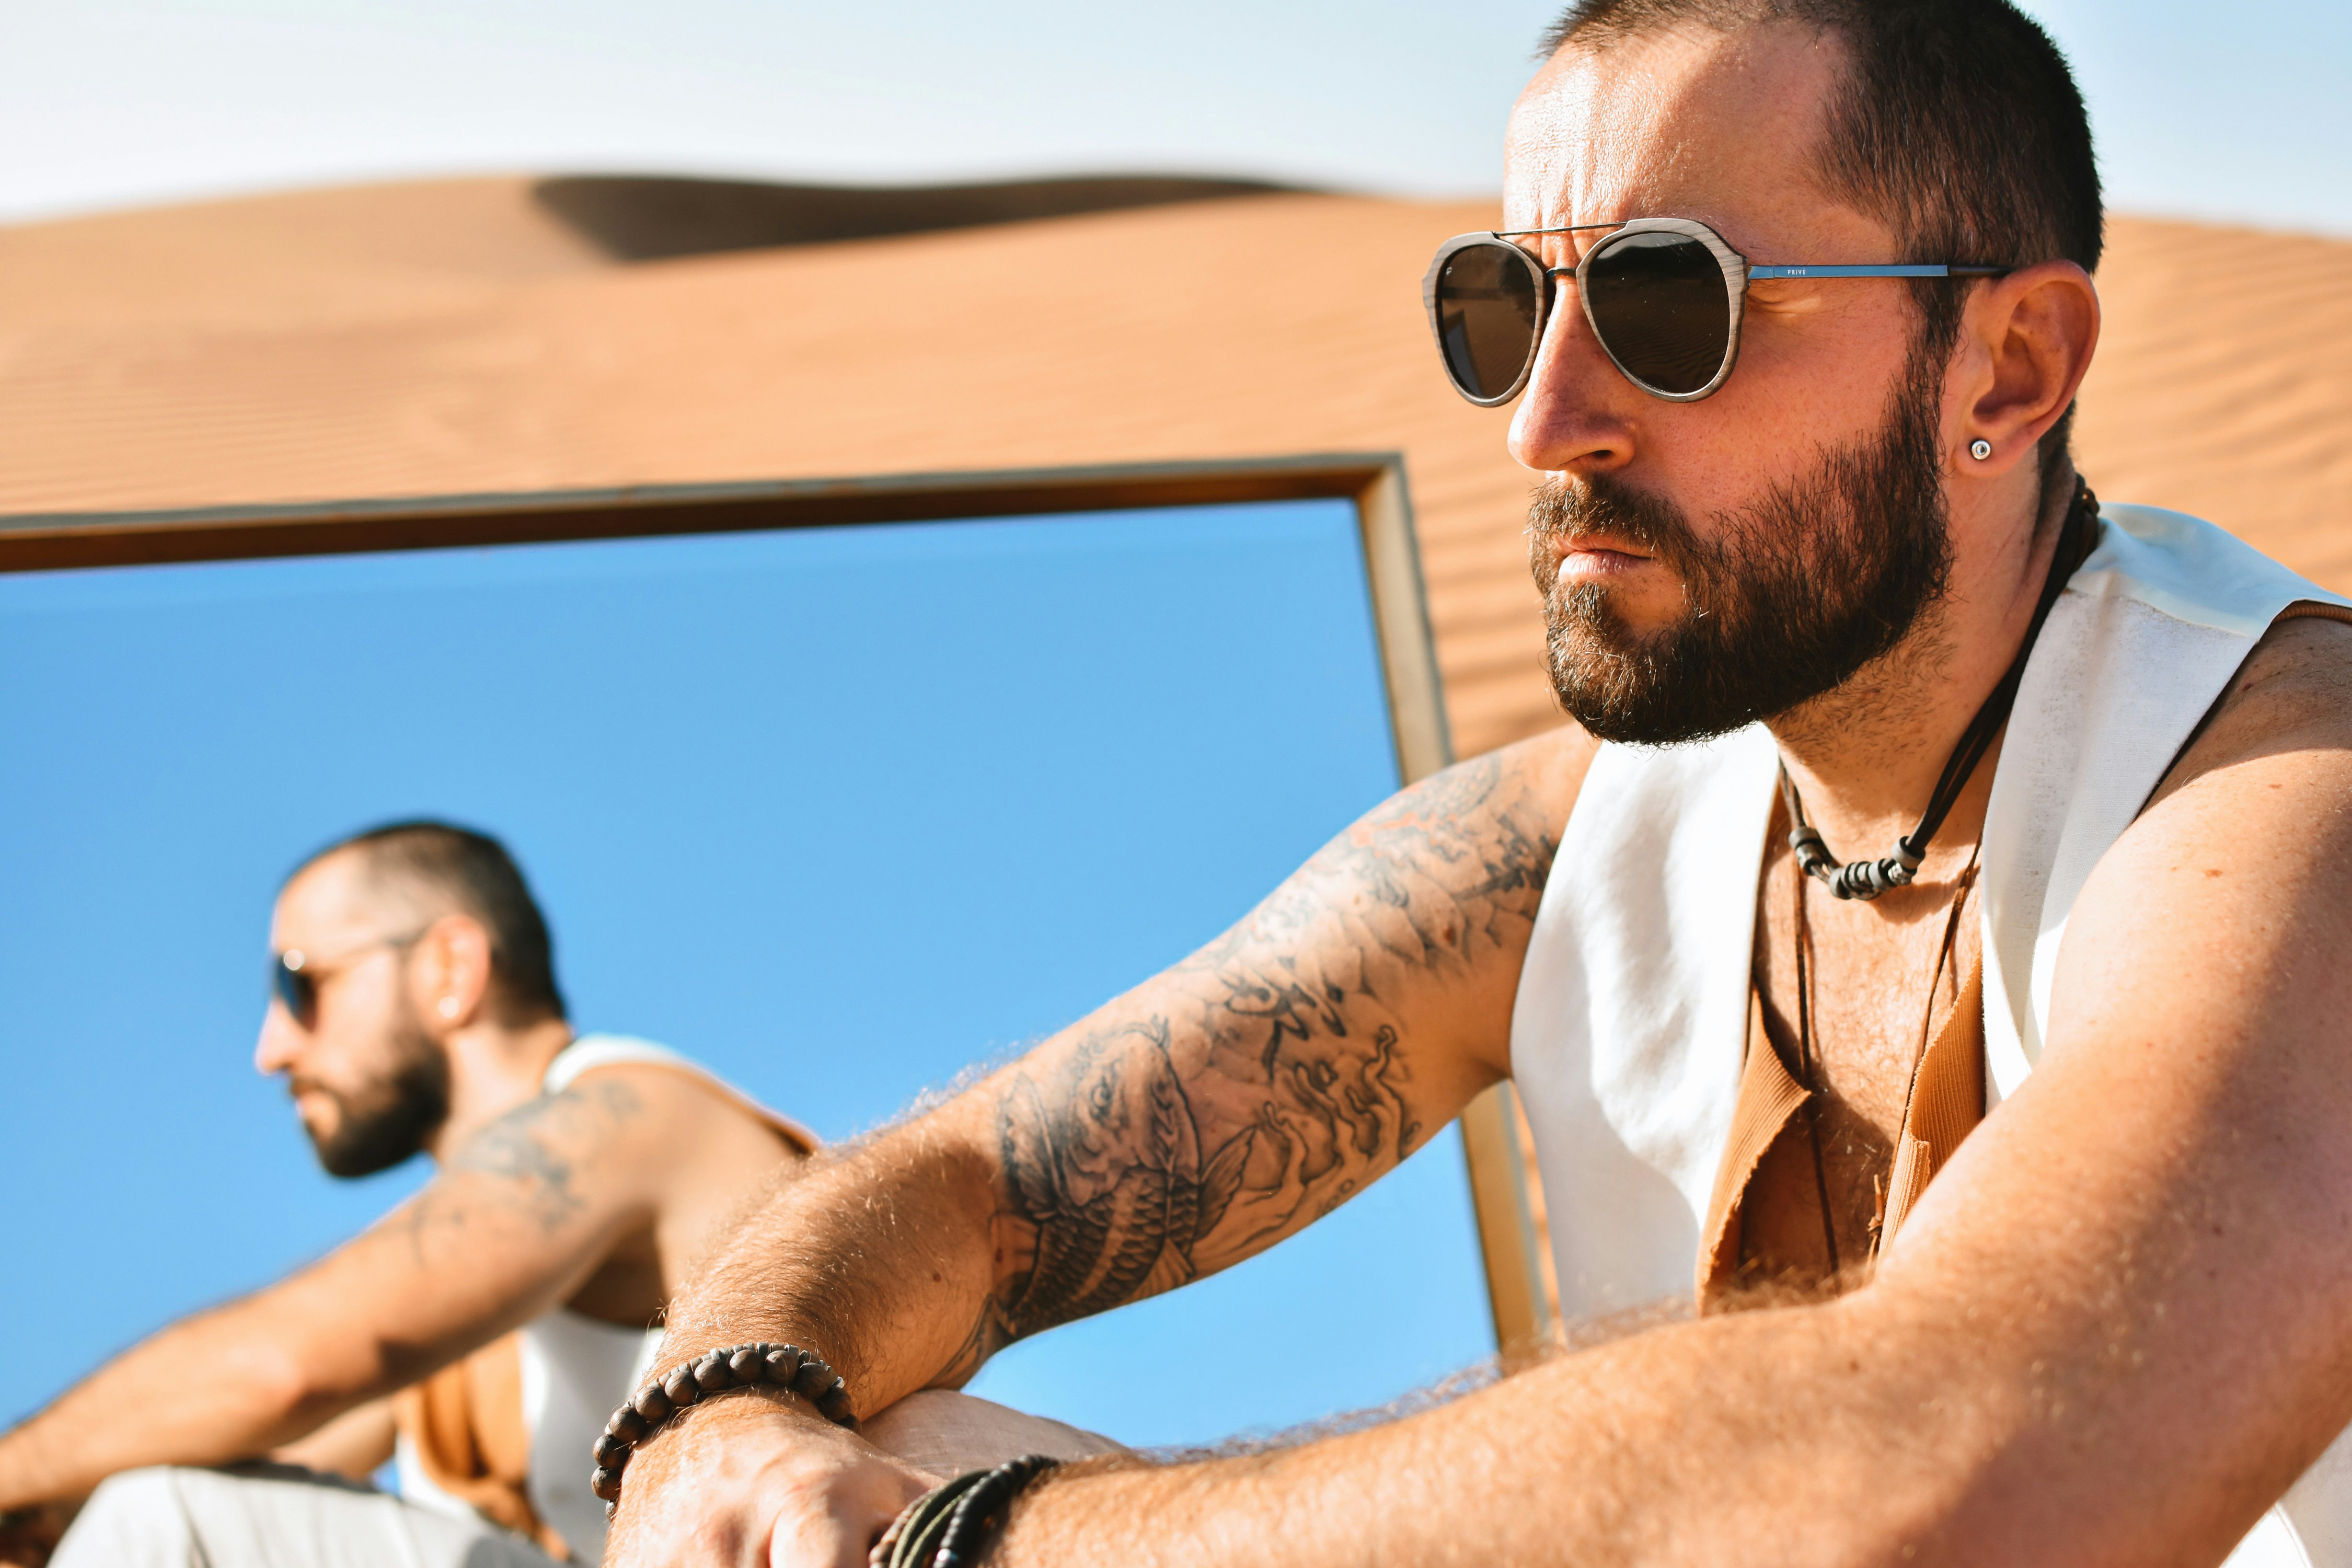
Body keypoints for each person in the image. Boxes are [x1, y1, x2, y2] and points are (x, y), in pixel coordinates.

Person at [594, 3, 2352, 1566]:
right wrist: (735, 1411)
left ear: (2010, 365)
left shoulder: (2287, 789)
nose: (1545, 418)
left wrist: (971, 1551)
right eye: (1504, 305)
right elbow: (983, 1182)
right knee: (881, 1431)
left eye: (1677, 303)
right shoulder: (1565, 846)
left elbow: (1972, 1481)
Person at [0, 822, 824, 1568]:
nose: (271, 1048)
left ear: (449, 971)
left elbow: (292, 1365)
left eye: (300, 987)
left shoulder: (626, 1115)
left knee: (161, 1518)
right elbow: (262, 1442)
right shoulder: (476, 1271)